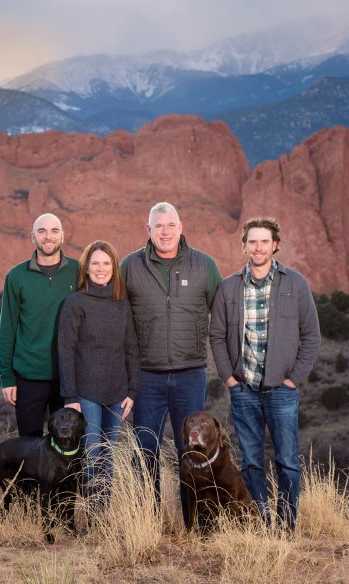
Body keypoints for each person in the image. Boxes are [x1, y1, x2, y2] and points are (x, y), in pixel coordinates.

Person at [210, 217, 320, 531]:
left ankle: (287, 525)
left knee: (287, 460)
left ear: (275, 245)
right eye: (252, 242)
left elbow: (311, 335)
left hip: (281, 391)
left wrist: (293, 379)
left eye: (264, 242)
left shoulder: (295, 283)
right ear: (244, 245)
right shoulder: (229, 287)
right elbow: (216, 336)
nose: (258, 247)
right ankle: (261, 522)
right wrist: (229, 379)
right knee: (251, 462)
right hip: (243, 389)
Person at [121, 201, 221, 527]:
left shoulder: (204, 265)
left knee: (192, 452)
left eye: (170, 225)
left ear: (181, 226)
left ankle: (195, 523)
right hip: (146, 377)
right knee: (145, 451)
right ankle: (147, 524)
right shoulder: (130, 266)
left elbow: (223, 315)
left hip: (190, 375)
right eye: (158, 226)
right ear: (147, 230)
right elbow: (114, 318)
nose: (165, 231)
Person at [58, 240, 141, 496]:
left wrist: (132, 391)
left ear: (114, 268)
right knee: (92, 454)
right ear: (86, 268)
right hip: (86, 394)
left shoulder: (122, 304)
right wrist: (70, 397)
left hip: (117, 394)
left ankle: (102, 517)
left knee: (108, 456)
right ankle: (89, 515)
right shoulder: (75, 303)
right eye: (95, 263)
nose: (101, 268)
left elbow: (131, 348)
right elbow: (65, 350)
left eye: (106, 263)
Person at [0, 213, 79, 437]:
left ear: (63, 236)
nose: (48, 237)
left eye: (54, 231)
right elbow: (7, 330)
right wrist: (6, 377)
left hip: (68, 379)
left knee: (66, 447)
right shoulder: (16, 277)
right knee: (29, 444)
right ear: (32, 237)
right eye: (42, 231)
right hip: (28, 378)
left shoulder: (79, 272)